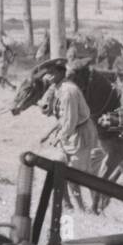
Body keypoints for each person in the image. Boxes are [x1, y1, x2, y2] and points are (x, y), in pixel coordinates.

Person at [48, 57, 108, 200]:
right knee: (62, 167)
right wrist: (51, 133)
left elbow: (71, 120)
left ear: (61, 74)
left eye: (51, 73)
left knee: (80, 173)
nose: (48, 77)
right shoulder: (60, 89)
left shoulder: (69, 92)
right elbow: (62, 117)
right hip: (70, 134)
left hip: (80, 135)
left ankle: (94, 204)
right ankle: (72, 204)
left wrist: (59, 137)